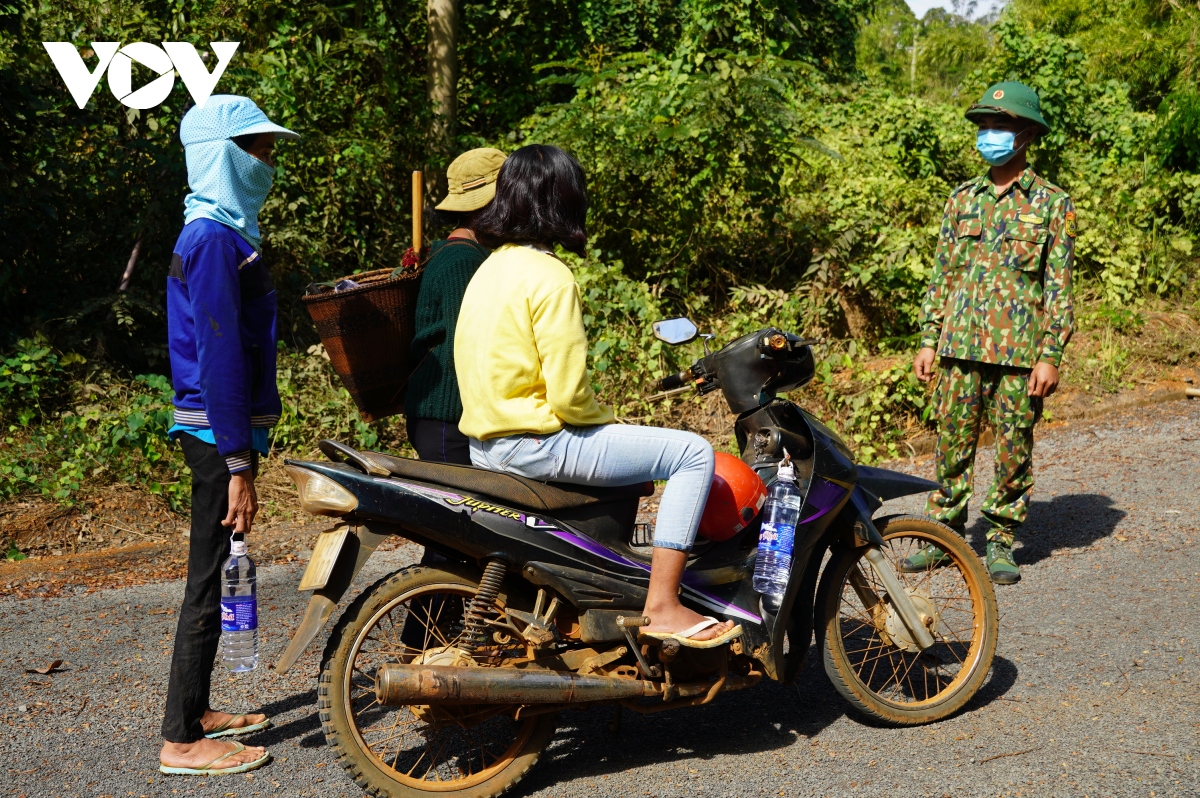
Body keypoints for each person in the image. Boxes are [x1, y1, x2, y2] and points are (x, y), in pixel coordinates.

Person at [454, 144, 738, 645]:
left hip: (486, 445)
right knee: (691, 453)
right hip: (537, 443)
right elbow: (567, 397)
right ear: (565, 201)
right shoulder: (550, 275)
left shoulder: (489, 269)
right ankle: (664, 605)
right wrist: (606, 418)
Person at [159, 95, 298, 775]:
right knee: (208, 577)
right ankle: (181, 739)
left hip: (222, 432)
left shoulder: (217, 231)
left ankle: (198, 709)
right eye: (256, 149)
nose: (268, 161)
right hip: (217, 435)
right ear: (221, 156)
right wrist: (238, 462)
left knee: (214, 572)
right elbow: (217, 356)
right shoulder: (212, 239)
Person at [909, 82, 1075, 585]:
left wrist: (1051, 355)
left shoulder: (1052, 203)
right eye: (984, 127)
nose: (990, 136)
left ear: (1025, 134)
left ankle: (1001, 537)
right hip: (959, 346)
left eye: (1000, 127)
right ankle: (946, 533)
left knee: (1012, 445)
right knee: (952, 442)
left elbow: (1060, 286)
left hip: (1020, 352)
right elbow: (943, 275)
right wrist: (928, 337)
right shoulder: (962, 199)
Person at [404, 148, 507, 464]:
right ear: (488, 206)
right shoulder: (463, 261)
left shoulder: (454, 253)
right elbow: (466, 349)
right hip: (449, 421)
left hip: (449, 419)